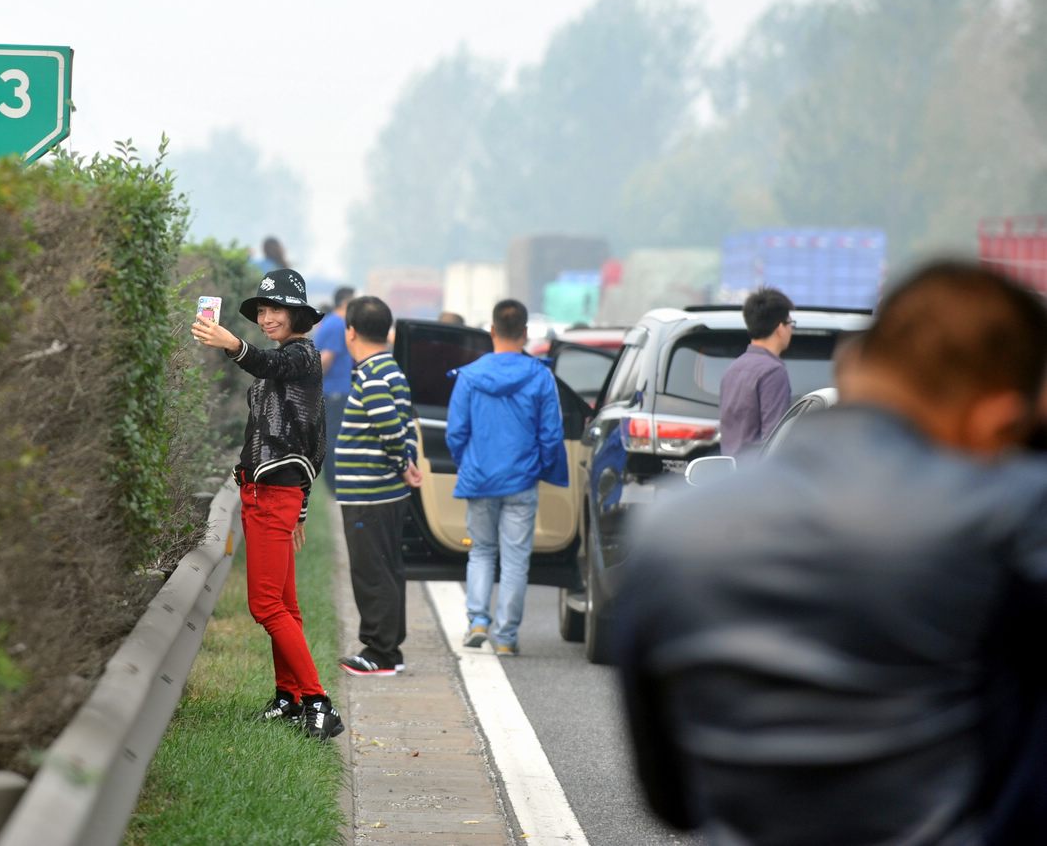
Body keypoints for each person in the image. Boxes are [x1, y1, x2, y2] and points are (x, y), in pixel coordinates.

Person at [616, 260, 1047, 845]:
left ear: (852, 366)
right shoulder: (1010, 518)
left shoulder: (670, 530)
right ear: (1002, 417)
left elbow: (670, 799)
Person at [191, 267, 345, 741]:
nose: (267, 315)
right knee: (285, 606)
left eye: (276, 308)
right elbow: (310, 438)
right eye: (263, 309)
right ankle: (289, 697)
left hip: (273, 496)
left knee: (264, 606)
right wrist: (299, 507)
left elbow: (268, 368)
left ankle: (318, 702)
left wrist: (232, 345)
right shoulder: (290, 360)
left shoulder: (301, 356)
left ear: (297, 314)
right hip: (264, 496)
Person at [444, 298, 568, 656]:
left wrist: (467, 463)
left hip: (480, 479)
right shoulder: (541, 376)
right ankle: (506, 638)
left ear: (492, 331)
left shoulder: (469, 376)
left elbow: (456, 432)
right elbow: (551, 435)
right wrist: (542, 468)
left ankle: (478, 622)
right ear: (526, 334)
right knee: (515, 559)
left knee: (481, 551)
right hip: (521, 481)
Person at [332, 295, 422, 677]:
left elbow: (388, 423)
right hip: (383, 491)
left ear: (350, 332)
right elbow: (407, 423)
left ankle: (378, 652)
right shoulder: (392, 370)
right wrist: (408, 460)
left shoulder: (371, 375)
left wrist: (403, 464)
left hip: (370, 492)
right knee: (387, 569)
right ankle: (390, 650)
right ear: (387, 331)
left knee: (371, 572)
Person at [718, 286, 795, 457]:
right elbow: (774, 439)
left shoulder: (733, 369)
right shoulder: (773, 372)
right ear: (780, 327)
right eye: (790, 323)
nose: (791, 329)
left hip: (732, 474)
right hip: (757, 476)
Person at [312, 286, 356, 490]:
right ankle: (333, 485)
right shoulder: (338, 325)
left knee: (330, 435)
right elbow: (326, 359)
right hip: (335, 391)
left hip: (333, 390)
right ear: (345, 303)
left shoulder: (331, 322)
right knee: (333, 437)